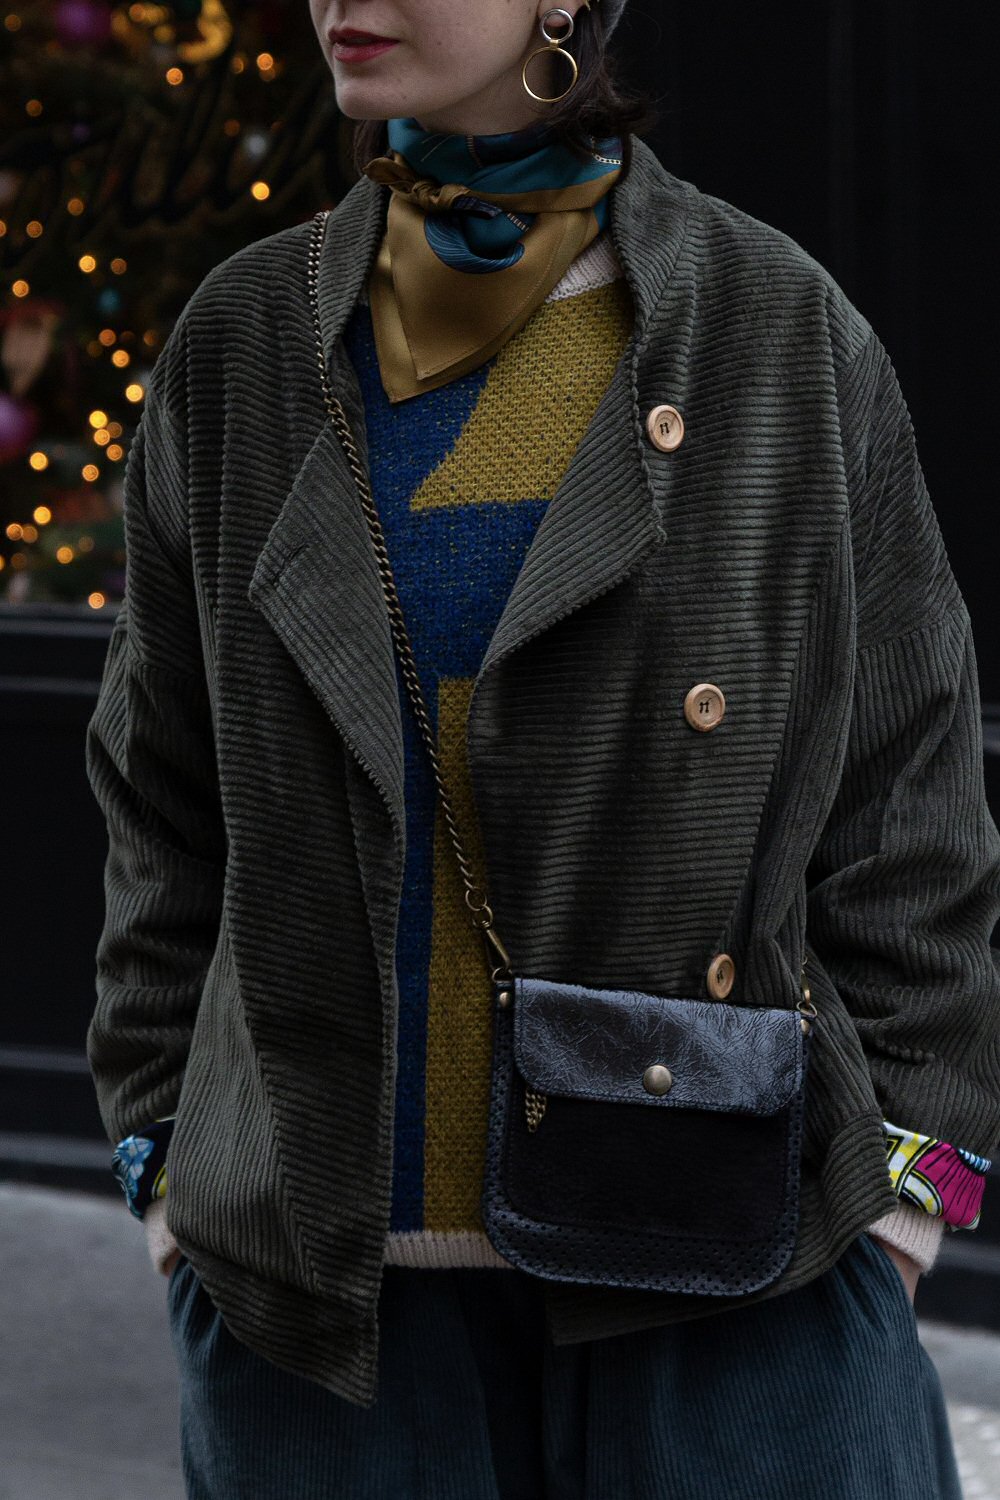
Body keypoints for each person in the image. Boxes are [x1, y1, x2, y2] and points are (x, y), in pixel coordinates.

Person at [85, 1, 1000, 1495]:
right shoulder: (245, 342)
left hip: (733, 1283)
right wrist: (168, 1174)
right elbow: (160, 800)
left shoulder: (775, 328)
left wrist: (912, 1198)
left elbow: (913, 804)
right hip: (322, 1320)